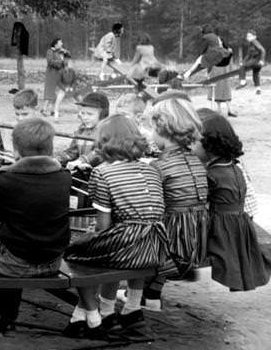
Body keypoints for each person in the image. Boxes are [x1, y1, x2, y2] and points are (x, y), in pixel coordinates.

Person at [0, 118, 72, 349]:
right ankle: (8, 319)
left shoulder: (7, 178)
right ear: (50, 148)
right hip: (52, 259)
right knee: (15, 245)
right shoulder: (64, 176)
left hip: (18, 261)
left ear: (16, 149)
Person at [64, 115, 167, 335]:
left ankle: (99, 314)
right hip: (155, 245)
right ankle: (131, 308)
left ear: (103, 142)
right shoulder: (153, 170)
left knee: (75, 254)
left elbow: (104, 227)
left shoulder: (102, 173)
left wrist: (89, 235)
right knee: (126, 244)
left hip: (127, 245)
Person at [138, 98, 209, 312]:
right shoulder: (196, 160)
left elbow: (149, 206)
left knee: (135, 225)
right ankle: (151, 293)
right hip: (199, 234)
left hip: (176, 238)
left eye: (151, 129)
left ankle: (137, 294)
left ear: (161, 129)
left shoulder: (161, 166)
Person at [194, 111, 271, 291]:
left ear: (209, 145)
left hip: (219, 232)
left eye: (194, 141)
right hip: (240, 228)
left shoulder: (211, 174)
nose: (190, 146)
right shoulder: (235, 167)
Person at [56, 92, 109, 171]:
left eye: (89, 114)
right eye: (83, 113)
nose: (85, 117)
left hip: (100, 173)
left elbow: (101, 152)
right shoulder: (81, 130)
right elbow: (72, 151)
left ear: (102, 115)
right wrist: (58, 159)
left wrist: (81, 160)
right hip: (82, 171)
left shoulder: (107, 130)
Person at [43, 38, 68, 115]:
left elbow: (65, 62)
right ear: (56, 44)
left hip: (59, 74)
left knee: (61, 90)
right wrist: (61, 62)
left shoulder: (59, 52)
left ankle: (52, 110)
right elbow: (50, 62)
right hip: (51, 74)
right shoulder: (50, 51)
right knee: (50, 91)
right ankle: (44, 110)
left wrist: (64, 55)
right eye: (60, 42)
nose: (62, 44)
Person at [54, 55, 77, 119]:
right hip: (62, 89)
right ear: (66, 64)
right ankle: (56, 116)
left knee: (77, 101)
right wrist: (64, 88)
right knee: (58, 101)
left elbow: (74, 81)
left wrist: (72, 87)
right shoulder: (60, 72)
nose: (72, 64)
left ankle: (81, 114)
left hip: (70, 88)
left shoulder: (72, 71)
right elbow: (58, 82)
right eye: (71, 63)